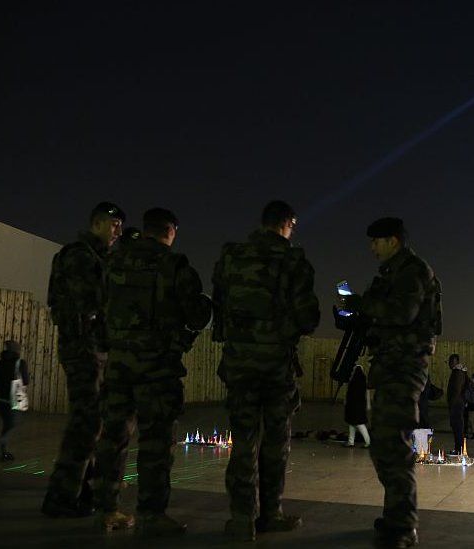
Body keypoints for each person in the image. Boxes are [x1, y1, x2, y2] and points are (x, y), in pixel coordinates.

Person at [95, 207, 211, 535]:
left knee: (112, 437)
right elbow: (197, 313)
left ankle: (106, 508)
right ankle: (151, 514)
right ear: (170, 231)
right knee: (156, 443)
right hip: (157, 368)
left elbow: (99, 306)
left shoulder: (114, 262)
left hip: (118, 365)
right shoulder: (174, 266)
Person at [213, 200, 320, 541]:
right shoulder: (292, 260)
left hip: (239, 363)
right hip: (275, 367)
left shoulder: (232, 256)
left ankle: (241, 517)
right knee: (275, 442)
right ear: (288, 222)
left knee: (244, 440)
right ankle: (270, 513)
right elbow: (308, 318)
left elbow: (219, 306)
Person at [341, 217, 441, 549]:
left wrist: (363, 305)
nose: (371, 247)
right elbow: (381, 316)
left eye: (376, 241)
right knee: (385, 443)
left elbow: (402, 314)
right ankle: (396, 515)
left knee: (393, 443)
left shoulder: (412, 270)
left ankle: (404, 525)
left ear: (393, 241)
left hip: (405, 365)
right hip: (389, 365)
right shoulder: (389, 274)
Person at [43, 202, 125, 518]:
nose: (117, 230)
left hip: (95, 348)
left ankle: (82, 493)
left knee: (94, 422)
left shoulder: (99, 258)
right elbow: (92, 299)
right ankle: (62, 495)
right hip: (83, 348)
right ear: (97, 224)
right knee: (86, 422)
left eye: (119, 225)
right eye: (113, 224)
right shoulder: (79, 256)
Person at [0, 340, 29, 461]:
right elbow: (26, 380)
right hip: (15, 397)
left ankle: (3, 451)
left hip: (0, 397)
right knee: (14, 423)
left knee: (6, 424)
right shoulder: (20, 363)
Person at [445, 354, 468, 455]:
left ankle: (459, 449)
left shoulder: (457, 373)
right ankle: (459, 448)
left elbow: (456, 390)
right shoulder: (461, 372)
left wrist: (452, 404)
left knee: (457, 428)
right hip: (459, 403)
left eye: (451, 361)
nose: (449, 363)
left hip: (456, 405)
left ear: (456, 362)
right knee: (458, 427)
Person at [344, 365, 370, 448]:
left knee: (355, 423)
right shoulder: (364, 382)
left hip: (352, 405)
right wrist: (368, 404)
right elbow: (367, 394)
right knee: (356, 423)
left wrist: (346, 402)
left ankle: (367, 442)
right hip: (360, 405)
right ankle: (351, 441)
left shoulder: (352, 382)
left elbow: (348, 394)